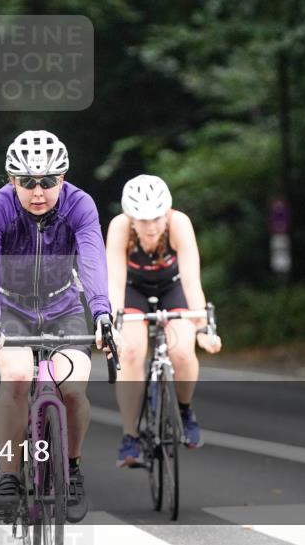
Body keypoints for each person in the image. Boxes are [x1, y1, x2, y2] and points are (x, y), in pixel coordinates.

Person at [0, 130, 118, 524]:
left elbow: (93, 259)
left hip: (63, 308)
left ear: (63, 178)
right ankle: (8, 477)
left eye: (49, 181)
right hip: (8, 308)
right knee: (18, 376)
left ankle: (72, 470)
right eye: (27, 182)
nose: (38, 192)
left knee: (72, 388)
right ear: (11, 180)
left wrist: (102, 314)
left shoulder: (80, 205)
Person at [107, 174, 221, 468]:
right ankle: (130, 435)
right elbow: (115, 284)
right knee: (131, 353)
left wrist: (203, 329)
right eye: (143, 220)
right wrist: (113, 328)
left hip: (172, 288)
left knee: (181, 350)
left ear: (167, 212)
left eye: (157, 218)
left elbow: (192, 282)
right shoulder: (120, 228)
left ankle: (184, 410)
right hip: (133, 290)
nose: (151, 227)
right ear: (130, 217)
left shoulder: (179, 223)